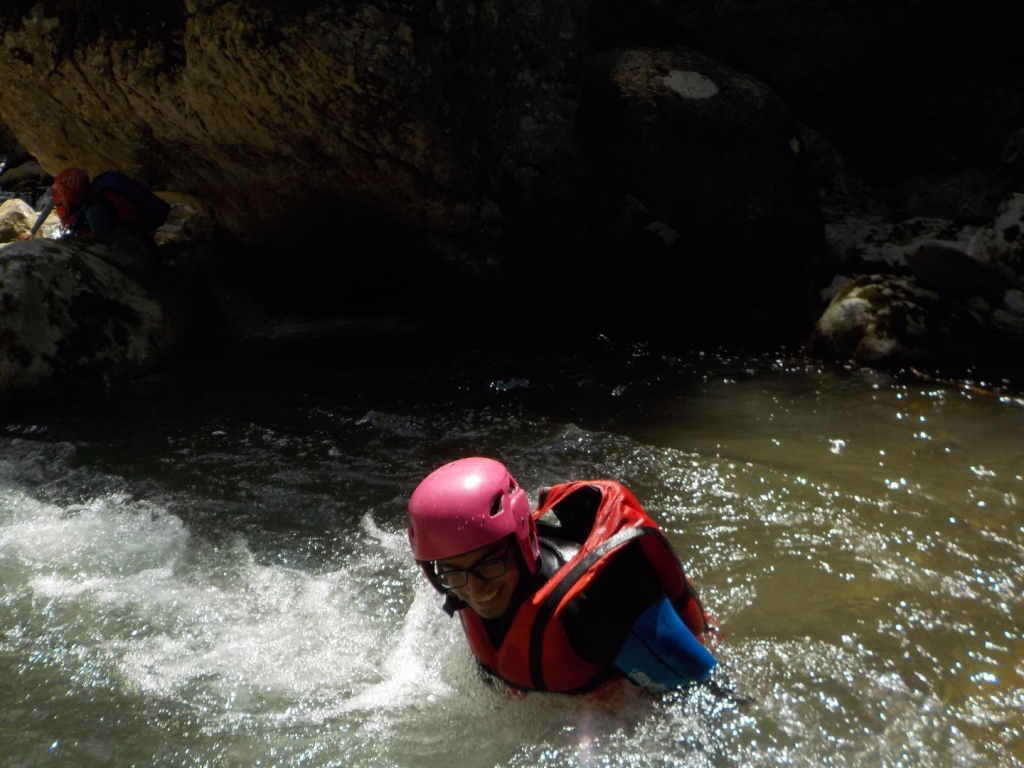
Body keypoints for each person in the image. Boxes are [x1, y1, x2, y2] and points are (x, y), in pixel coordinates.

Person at [407, 457, 718, 695]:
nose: (475, 591)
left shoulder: (597, 604)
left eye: (488, 565)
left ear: (521, 541)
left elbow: (706, 690)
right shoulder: (459, 583)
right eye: (453, 573)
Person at [21, 168, 170, 240]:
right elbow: (51, 204)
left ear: (69, 191)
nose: (57, 197)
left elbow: (100, 241)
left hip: (133, 249)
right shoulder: (82, 199)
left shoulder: (94, 207)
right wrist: (32, 231)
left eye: (60, 192)